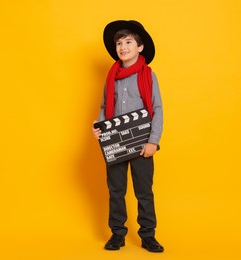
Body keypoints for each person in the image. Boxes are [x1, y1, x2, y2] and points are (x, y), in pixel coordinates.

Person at [92, 20, 164, 253]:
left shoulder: (149, 76)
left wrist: (153, 140)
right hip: (115, 142)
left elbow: (158, 108)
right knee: (116, 190)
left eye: (128, 42)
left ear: (139, 47)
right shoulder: (111, 76)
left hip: (142, 143)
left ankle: (148, 235)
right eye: (119, 43)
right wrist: (99, 126)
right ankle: (117, 234)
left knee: (144, 191)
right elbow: (105, 106)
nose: (123, 47)